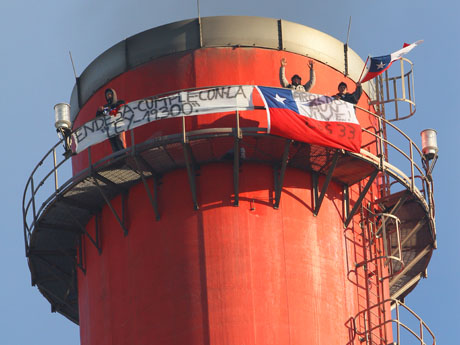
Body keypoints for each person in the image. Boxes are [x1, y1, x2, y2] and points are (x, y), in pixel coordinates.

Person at [96, 88, 126, 152]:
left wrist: (111, 109)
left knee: (119, 140)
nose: (108, 96)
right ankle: (116, 156)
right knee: (113, 142)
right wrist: (99, 111)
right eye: (107, 95)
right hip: (109, 128)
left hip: (118, 125)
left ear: (113, 95)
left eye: (110, 94)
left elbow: (123, 108)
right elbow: (98, 118)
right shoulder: (105, 107)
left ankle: (123, 153)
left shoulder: (119, 102)